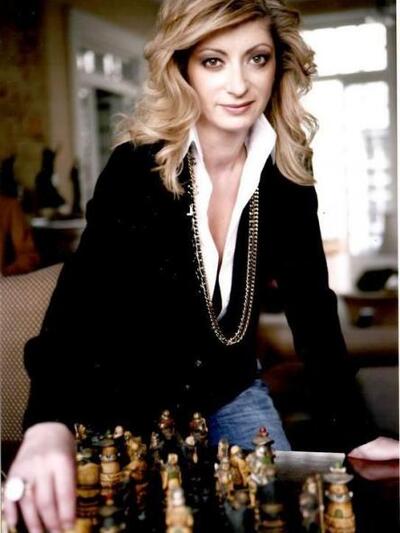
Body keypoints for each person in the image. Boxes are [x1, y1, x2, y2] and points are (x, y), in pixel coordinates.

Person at [4, 1, 398, 532]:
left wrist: (355, 431)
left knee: (274, 519)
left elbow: (312, 308)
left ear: (278, 65)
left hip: (230, 389)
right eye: (214, 61)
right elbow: (79, 303)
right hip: (126, 400)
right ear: (184, 69)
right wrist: (46, 421)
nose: (239, 84)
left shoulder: (287, 173)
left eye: (256, 58)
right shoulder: (136, 169)